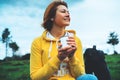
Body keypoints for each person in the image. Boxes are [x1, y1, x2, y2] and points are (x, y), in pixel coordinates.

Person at [30, 1, 98, 80]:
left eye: (68, 12)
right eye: (63, 12)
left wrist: (72, 57)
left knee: (90, 78)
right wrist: (58, 58)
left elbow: (80, 74)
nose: (68, 14)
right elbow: (35, 77)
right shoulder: (38, 42)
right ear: (52, 17)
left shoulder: (75, 40)